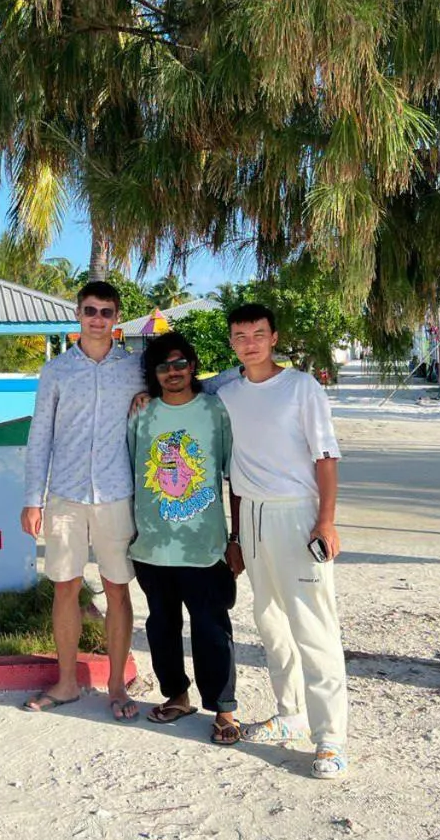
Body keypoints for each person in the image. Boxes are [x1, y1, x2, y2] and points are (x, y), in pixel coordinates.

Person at [219, 303, 349, 779]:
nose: (249, 342)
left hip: (296, 514)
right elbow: (184, 388)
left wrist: (326, 521)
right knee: (270, 622)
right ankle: (290, 713)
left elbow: (326, 457)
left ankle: (330, 738)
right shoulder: (227, 390)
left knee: (313, 627)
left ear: (274, 337)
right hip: (250, 516)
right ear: (232, 341)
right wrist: (235, 536)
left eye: (258, 333)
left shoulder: (301, 387)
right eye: (240, 335)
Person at [21, 280, 146, 719]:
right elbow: (40, 437)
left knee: (118, 589)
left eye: (106, 312)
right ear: (78, 314)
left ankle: (116, 687)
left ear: (116, 318)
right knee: (65, 588)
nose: (97, 319)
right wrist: (32, 499)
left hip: (116, 494)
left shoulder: (134, 370)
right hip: (66, 496)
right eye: (90, 310)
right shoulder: (56, 371)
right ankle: (68, 682)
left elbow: (184, 384)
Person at [128, 332, 240, 744]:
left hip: (204, 545)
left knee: (212, 627)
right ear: (152, 374)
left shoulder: (214, 410)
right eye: (163, 366)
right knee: (161, 626)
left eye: (179, 364)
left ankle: (225, 710)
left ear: (192, 366)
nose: (172, 372)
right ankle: (177, 695)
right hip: (153, 545)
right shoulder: (142, 413)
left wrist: (236, 539)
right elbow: (131, 470)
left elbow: (234, 475)